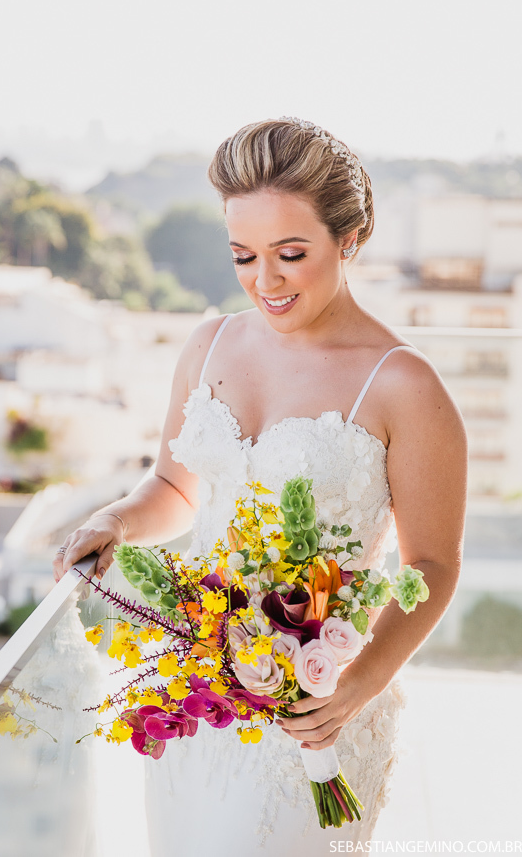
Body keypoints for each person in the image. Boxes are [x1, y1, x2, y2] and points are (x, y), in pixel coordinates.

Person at [53, 117, 467, 853]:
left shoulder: (405, 385)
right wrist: (116, 521)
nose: (264, 281)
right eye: (244, 255)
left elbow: (433, 564)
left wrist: (354, 686)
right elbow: (175, 490)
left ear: (353, 237)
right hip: (197, 697)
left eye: (291, 254)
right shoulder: (207, 344)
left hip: (316, 707)